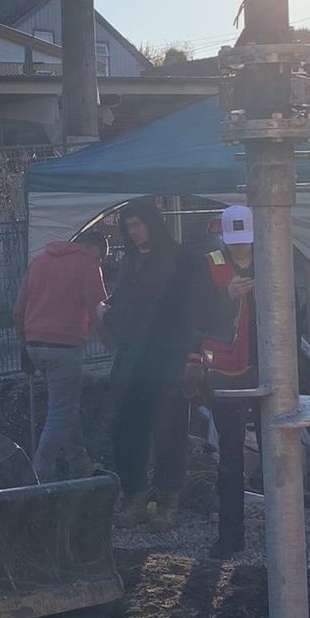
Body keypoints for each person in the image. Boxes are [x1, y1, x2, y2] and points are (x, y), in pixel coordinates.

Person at [101, 197, 205, 522]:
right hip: (130, 361)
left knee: (169, 434)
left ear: (152, 223)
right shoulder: (130, 262)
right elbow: (122, 306)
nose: (133, 232)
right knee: (126, 430)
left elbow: (196, 313)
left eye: (138, 224)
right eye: (128, 226)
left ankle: (167, 502)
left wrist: (192, 358)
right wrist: (108, 315)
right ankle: (134, 497)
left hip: (167, 360)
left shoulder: (183, 262)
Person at [13, 227, 108, 483]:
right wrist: (113, 348)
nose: (100, 262)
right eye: (101, 257)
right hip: (64, 347)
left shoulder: (40, 261)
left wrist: (24, 345)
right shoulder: (87, 264)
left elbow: (19, 308)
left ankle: (78, 462)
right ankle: (39, 474)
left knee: (66, 404)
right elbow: (99, 313)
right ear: (96, 249)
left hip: (35, 344)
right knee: (60, 412)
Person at [195, 204, 261, 557]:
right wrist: (227, 297)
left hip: (265, 368)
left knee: (275, 450)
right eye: (235, 239)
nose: (240, 246)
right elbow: (198, 318)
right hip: (225, 373)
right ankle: (231, 535)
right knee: (230, 455)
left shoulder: (271, 261)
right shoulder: (208, 265)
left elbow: (291, 310)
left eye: (244, 239)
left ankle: (284, 529)